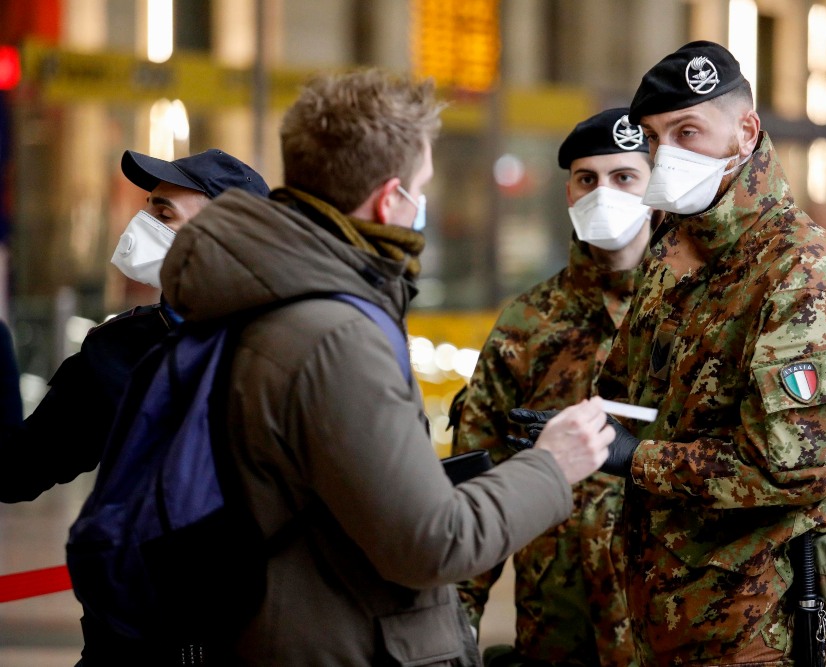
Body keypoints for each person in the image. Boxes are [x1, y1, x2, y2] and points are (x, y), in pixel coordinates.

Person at [155, 68, 614, 665]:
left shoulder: (269, 292)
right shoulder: (336, 335)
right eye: (421, 186)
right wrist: (553, 466)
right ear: (389, 198)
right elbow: (432, 543)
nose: (420, 205)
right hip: (337, 644)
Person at [513, 41, 826, 666]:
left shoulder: (803, 275)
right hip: (655, 616)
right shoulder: (673, 249)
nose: (670, 154)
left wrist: (634, 458)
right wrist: (587, 427)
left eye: (689, 131)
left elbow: (790, 469)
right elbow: (636, 391)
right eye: (658, 139)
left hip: (750, 632)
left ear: (746, 130)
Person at [452, 108, 650, 667]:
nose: (603, 192)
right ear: (569, 192)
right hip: (552, 634)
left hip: (666, 634)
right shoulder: (527, 323)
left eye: (624, 177)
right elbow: (476, 483)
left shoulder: (694, 315)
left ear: (655, 189)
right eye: (587, 179)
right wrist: (450, 630)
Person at [0, 148, 269, 502]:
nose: (140, 224)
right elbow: (17, 471)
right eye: (148, 208)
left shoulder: (285, 343)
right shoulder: (116, 350)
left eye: (163, 214)